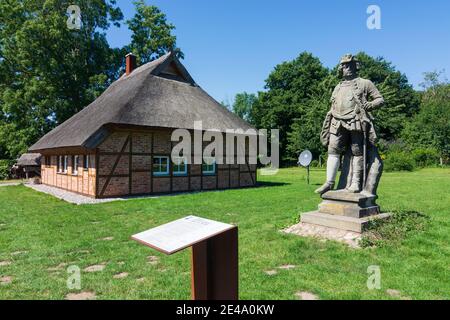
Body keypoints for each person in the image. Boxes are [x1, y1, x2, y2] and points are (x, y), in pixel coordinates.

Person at [315, 54, 384, 195]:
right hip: (336, 121)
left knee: (357, 151)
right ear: (341, 68)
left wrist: (369, 105)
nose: (347, 68)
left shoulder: (365, 83)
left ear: (356, 67)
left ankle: (356, 183)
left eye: (350, 65)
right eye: (345, 65)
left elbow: (379, 99)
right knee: (333, 150)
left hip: (356, 121)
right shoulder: (337, 86)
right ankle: (329, 182)